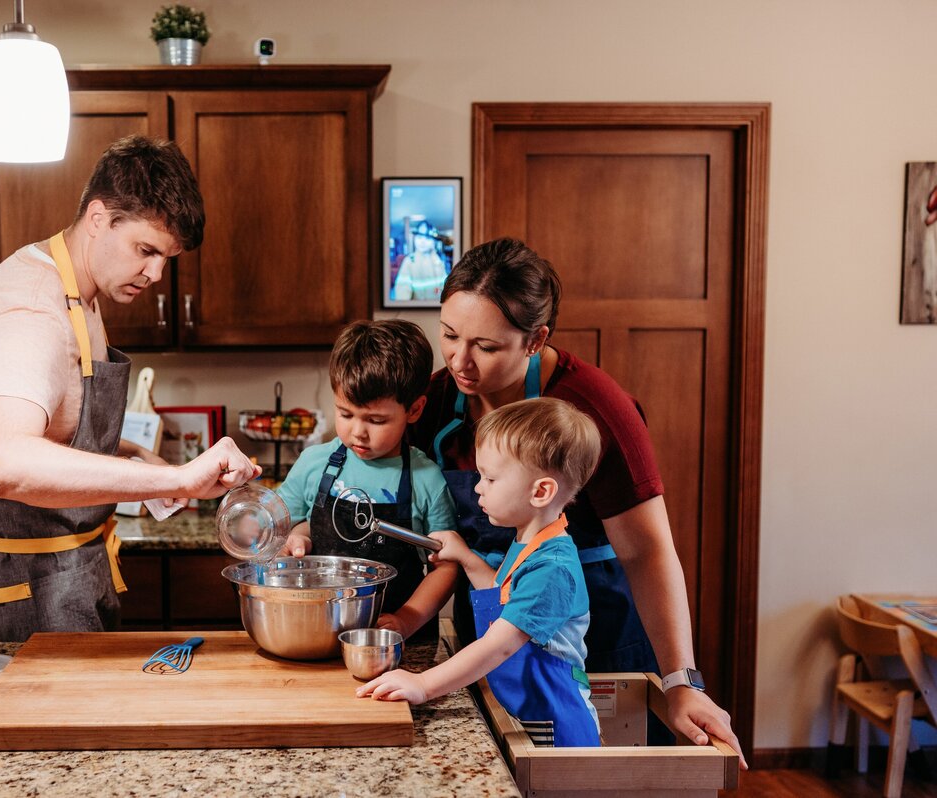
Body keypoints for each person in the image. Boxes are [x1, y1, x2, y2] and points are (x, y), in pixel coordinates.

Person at [408, 237, 747, 766]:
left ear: (535, 339)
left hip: (595, 638)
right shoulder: (439, 399)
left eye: (487, 346)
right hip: (491, 637)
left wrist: (682, 681)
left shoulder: (595, 407)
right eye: (449, 335)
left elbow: (647, 552)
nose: (460, 360)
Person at [0, 135, 259, 642]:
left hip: (65, 566)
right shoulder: (32, 312)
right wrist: (177, 482)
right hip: (20, 582)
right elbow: (4, 463)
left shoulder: (79, 293)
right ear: (97, 218)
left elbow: (58, 432)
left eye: (166, 258)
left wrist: (140, 457)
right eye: (146, 250)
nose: (156, 273)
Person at [358, 397, 602, 748]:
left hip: (554, 728)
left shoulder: (553, 568)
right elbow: (507, 598)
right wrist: (468, 559)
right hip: (524, 710)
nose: (477, 487)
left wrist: (423, 684)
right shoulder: (530, 542)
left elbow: (498, 646)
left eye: (489, 478)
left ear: (540, 492)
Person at [275, 319, 457, 637]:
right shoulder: (314, 463)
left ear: (414, 410)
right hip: (316, 629)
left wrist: (407, 619)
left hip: (396, 640)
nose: (358, 431)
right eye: (345, 414)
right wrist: (296, 540)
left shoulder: (425, 479)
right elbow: (276, 528)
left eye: (375, 419)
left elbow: (448, 566)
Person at [392, 220, 448, 302]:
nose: (422, 242)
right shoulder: (409, 261)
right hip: (417, 310)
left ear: (433, 242)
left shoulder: (438, 261)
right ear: (415, 239)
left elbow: (443, 286)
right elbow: (402, 289)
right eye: (419, 237)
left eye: (427, 238)